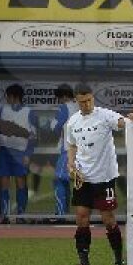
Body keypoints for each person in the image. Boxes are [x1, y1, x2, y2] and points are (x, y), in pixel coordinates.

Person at [63, 84, 133, 265]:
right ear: (76, 101)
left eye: (88, 100)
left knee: (108, 219)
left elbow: (120, 122)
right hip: (83, 177)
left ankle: (120, 262)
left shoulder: (104, 115)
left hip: (104, 177)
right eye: (82, 102)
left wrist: (129, 120)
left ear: (93, 98)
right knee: (81, 217)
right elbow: (71, 144)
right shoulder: (72, 122)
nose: (86, 104)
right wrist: (71, 164)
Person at [0, 84, 37, 224]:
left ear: (14, 96)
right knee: (4, 183)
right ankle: (5, 215)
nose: (6, 98)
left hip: (21, 152)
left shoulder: (29, 112)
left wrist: (28, 154)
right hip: (4, 151)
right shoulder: (2, 110)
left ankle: (21, 214)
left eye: (7, 96)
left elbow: (33, 136)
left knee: (21, 183)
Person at [47, 85, 79, 218]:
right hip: (83, 149)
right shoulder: (79, 106)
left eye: (59, 99)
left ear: (64, 97)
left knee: (59, 179)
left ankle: (61, 214)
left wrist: (48, 123)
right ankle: (68, 213)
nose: (59, 102)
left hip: (69, 149)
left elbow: (55, 127)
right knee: (71, 180)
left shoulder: (65, 107)